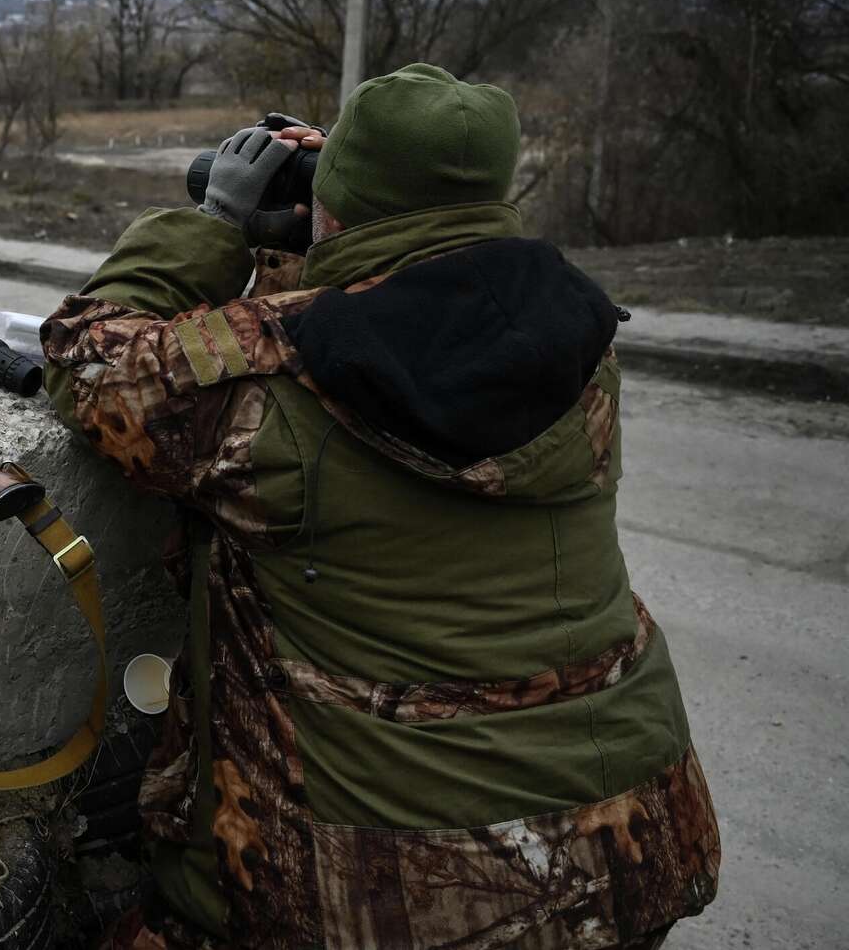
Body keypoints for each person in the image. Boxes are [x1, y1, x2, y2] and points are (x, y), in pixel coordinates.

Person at [42, 63, 719, 950]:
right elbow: (405, 315)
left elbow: (87, 358)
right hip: (631, 853)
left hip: (396, 896)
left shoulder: (274, 384)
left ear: (342, 207)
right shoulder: (580, 342)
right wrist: (332, 231)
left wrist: (216, 229)